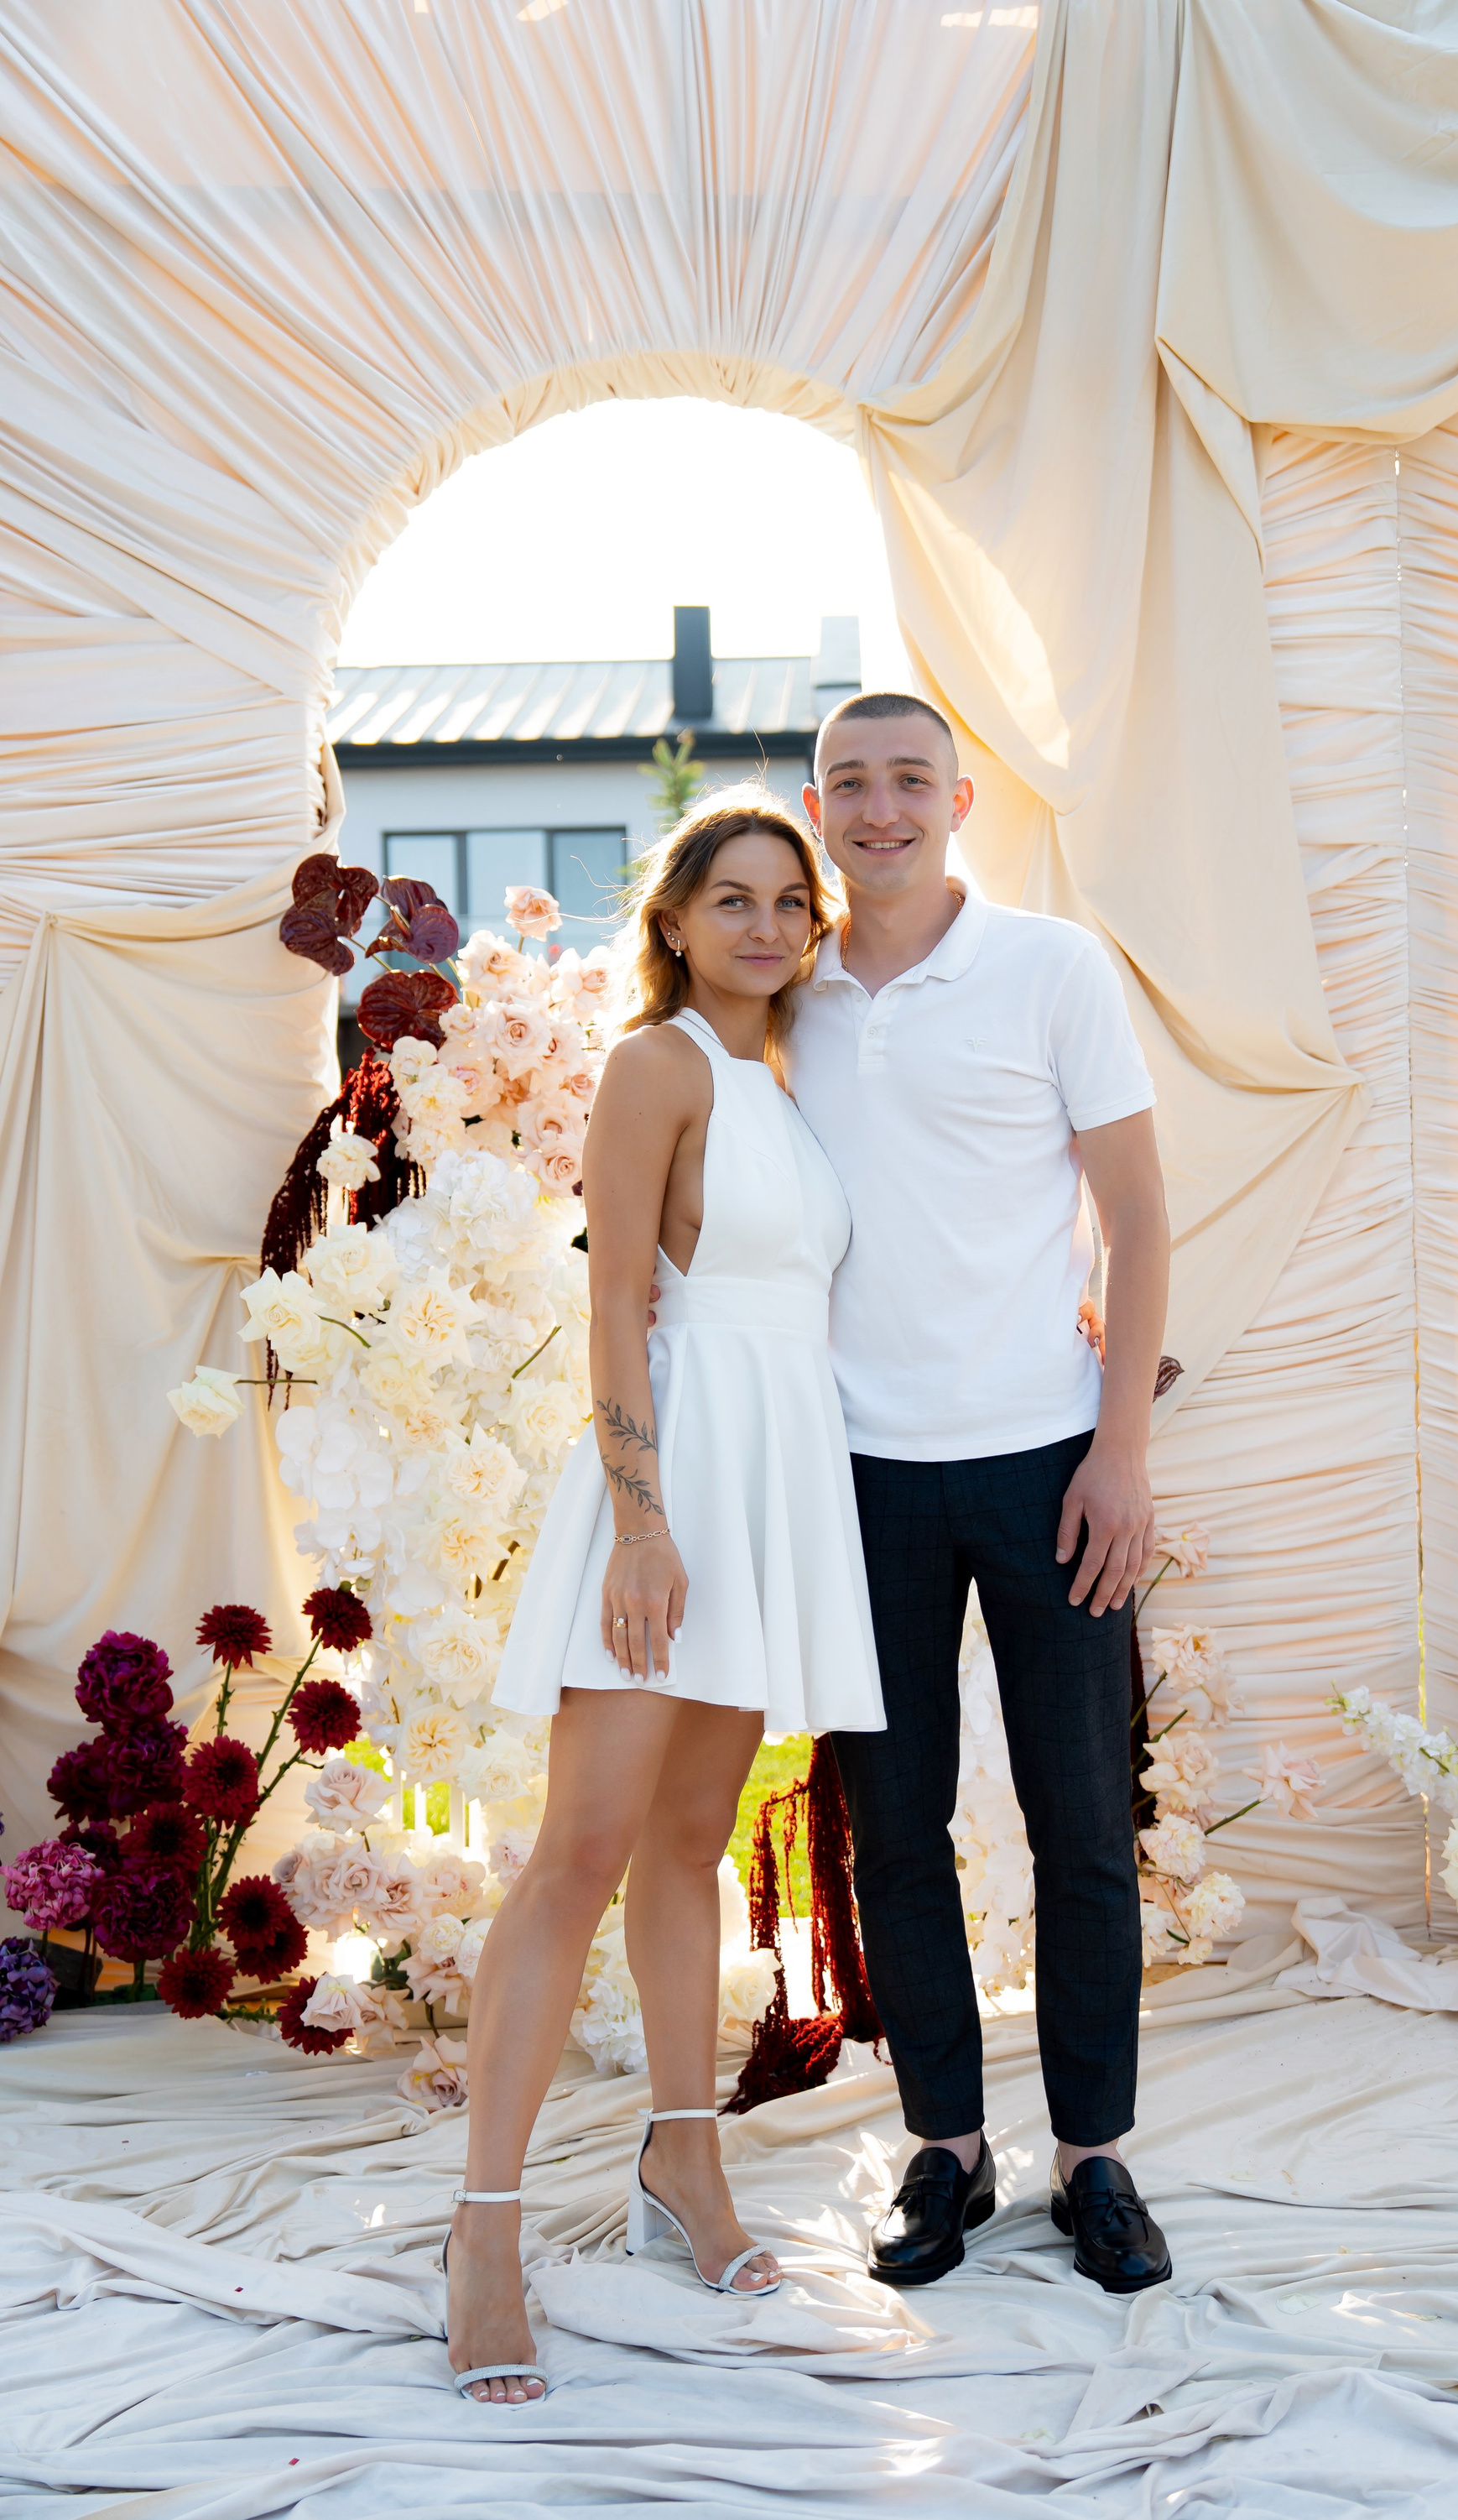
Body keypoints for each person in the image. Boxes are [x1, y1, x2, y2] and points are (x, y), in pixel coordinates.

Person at [445, 792, 885, 2403]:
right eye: (734, 898)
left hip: (776, 1483)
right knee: (580, 1851)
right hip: (675, 1479)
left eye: (791, 901)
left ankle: (683, 2163)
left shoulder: (797, 1081)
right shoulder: (661, 1065)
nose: (767, 925)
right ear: (677, 921)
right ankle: (484, 2231)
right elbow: (618, 1302)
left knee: (692, 1844)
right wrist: (642, 1526)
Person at [785, 691, 1174, 2294]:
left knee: (1084, 1824)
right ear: (818, 805)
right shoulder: (782, 989)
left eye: (909, 780)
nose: (879, 808)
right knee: (895, 1830)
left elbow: (1137, 1218)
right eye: (849, 782)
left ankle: (1094, 2159)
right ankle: (945, 2148)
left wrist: (1120, 1450)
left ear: (958, 800)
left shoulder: (1050, 968)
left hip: (1044, 1461)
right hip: (855, 1474)